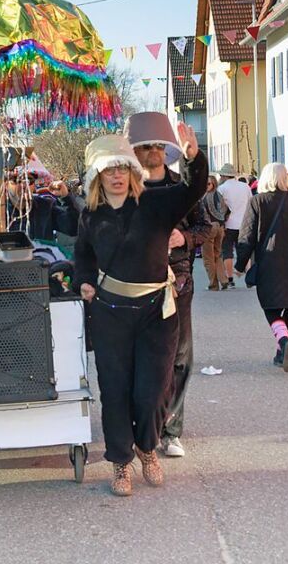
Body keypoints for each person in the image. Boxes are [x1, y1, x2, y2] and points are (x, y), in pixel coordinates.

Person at [75, 122, 207, 497]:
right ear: (98, 175)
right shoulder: (90, 214)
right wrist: (83, 281)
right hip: (111, 312)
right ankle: (120, 463)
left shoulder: (156, 202)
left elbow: (194, 189)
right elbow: (82, 256)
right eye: (109, 169)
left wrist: (193, 157)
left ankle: (147, 447)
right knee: (115, 389)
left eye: (123, 168)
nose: (117, 175)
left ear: (133, 172)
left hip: (156, 312)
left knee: (153, 389)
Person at [126, 112, 210, 459]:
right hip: (136, 286)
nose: (153, 152)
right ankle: (142, 424)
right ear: (135, 151)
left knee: (180, 358)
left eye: (159, 145)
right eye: (146, 146)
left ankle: (170, 430)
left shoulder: (182, 187)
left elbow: (206, 227)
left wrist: (185, 238)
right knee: (138, 358)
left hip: (179, 285)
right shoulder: (126, 189)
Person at [234, 163, 288, 373]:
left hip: (270, 261)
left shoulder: (258, 201)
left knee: (270, 305)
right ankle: (282, 351)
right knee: (286, 304)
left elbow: (247, 235)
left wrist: (240, 264)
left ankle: (283, 341)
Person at [217, 163, 252, 289]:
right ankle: (249, 278)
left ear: (223, 176)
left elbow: (219, 208)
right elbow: (250, 204)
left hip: (228, 224)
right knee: (243, 251)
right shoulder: (245, 187)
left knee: (227, 251)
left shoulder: (222, 189)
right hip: (244, 224)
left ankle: (230, 279)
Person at [200, 175, 229, 290]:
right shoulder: (219, 195)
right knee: (218, 254)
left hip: (209, 227)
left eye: (208, 184)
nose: (206, 186)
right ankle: (223, 279)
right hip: (220, 227)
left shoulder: (205, 197)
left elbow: (201, 215)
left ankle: (213, 284)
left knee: (208, 258)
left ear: (213, 184)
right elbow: (227, 210)